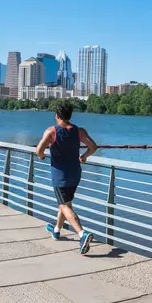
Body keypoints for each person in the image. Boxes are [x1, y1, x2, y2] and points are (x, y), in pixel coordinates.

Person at [35, 100, 98, 254]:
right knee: (64, 203)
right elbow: (93, 147)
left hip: (60, 176)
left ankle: (82, 234)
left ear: (57, 116)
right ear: (70, 115)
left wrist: (42, 157)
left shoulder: (51, 131)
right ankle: (56, 231)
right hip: (75, 174)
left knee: (65, 206)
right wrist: (83, 156)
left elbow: (39, 150)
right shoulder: (79, 131)